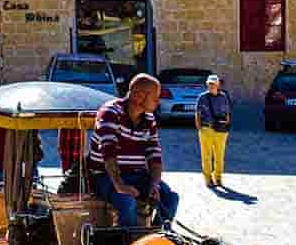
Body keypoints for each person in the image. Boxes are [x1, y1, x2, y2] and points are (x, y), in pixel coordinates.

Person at [88, 73, 179, 229]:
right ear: (139, 96)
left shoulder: (149, 119)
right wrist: (119, 185)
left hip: (137, 175)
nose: (158, 101)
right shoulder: (110, 112)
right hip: (105, 176)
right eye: (155, 97)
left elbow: (154, 155)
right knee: (127, 201)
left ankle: (157, 234)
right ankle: (128, 239)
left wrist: (155, 184)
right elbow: (108, 152)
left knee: (170, 198)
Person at [194, 73, 233, 188]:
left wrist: (227, 126)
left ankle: (218, 178)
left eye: (213, 84)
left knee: (219, 156)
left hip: (221, 130)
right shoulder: (202, 97)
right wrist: (199, 127)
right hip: (206, 128)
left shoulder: (223, 97)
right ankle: (208, 179)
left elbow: (227, 113)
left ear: (218, 85)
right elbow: (198, 112)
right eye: (209, 84)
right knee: (206, 155)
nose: (211, 86)